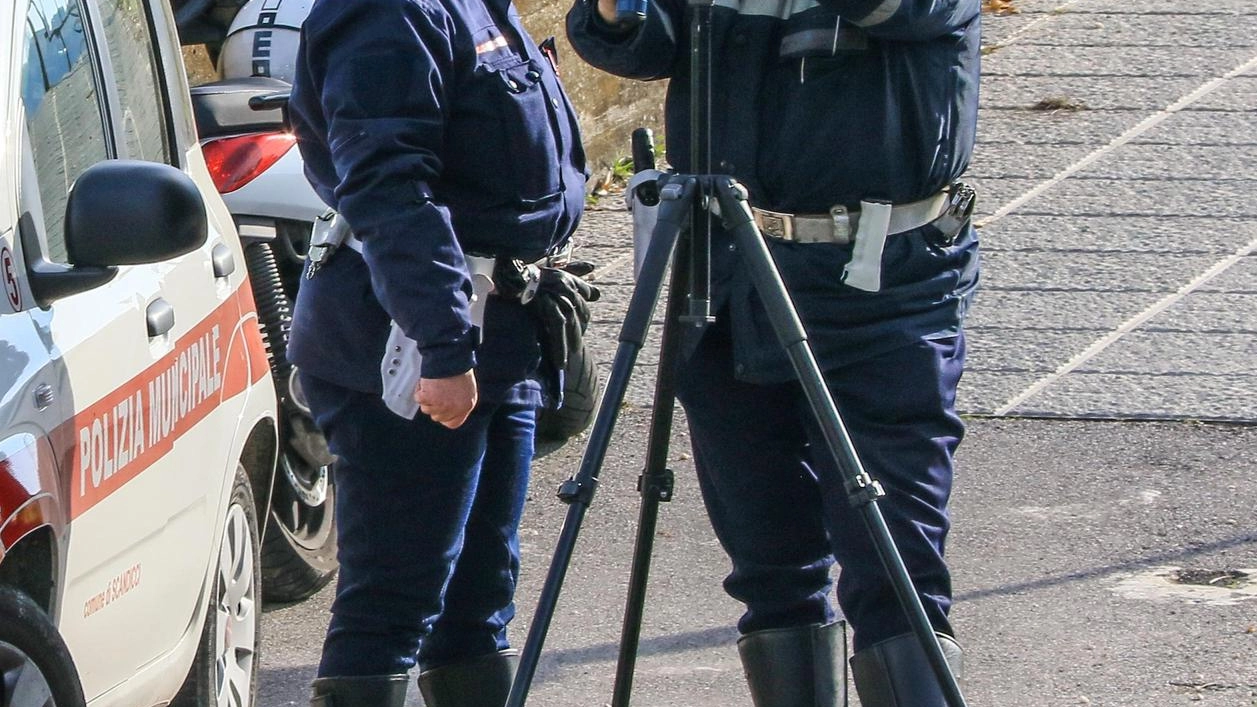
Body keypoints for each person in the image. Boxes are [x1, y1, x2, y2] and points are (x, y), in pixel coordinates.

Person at [568, 1, 981, 705]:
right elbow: (646, 45)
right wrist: (614, 13)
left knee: (894, 566)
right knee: (768, 562)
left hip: (877, 287)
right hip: (730, 278)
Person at [284, 0, 594, 704]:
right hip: (408, 340)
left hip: (498, 333)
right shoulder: (389, 14)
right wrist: (443, 344)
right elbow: (387, 187)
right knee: (394, 599)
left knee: (479, 597)